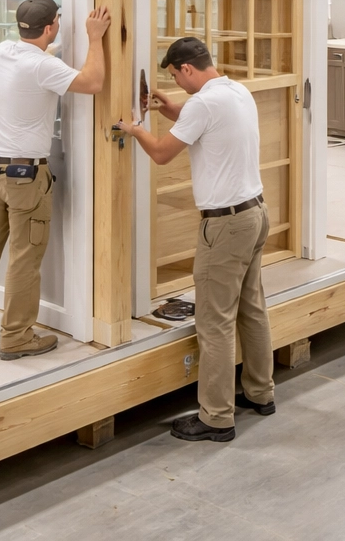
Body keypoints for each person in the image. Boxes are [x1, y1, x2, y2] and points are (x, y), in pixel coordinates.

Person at [116, 38, 275, 444]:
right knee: (252, 309)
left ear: (187, 69)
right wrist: (167, 107)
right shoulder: (236, 92)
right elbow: (199, 120)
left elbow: (162, 153)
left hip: (225, 227)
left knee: (214, 321)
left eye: (174, 75)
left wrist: (134, 129)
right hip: (255, 214)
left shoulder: (203, 104)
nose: (176, 83)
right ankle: (260, 392)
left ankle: (217, 417)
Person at [0, 0, 110, 360]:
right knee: (24, 257)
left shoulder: (3, 51)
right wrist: (95, 37)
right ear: (50, 26)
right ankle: (17, 337)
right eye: (57, 22)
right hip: (25, 177)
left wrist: (58, 47)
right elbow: (94, 82)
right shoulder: (42, 66)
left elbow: (43, 55)